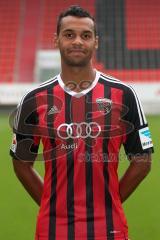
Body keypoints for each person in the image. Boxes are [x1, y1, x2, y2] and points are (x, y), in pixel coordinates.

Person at [10, 5, 154, 240]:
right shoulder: (34, 100)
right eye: (69, 34)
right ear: (56, 40)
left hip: (109, 229)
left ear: (96, 42)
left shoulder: (124, 94)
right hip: (52, 230)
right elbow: (21, 164)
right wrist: (52, 205)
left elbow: (143, 160)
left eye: (85, 35)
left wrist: (110, 202)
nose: (77, 41)